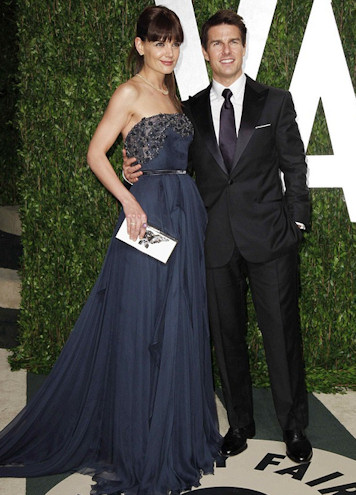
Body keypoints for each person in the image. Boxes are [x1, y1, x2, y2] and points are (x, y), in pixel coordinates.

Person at [0, 6, 221, 494]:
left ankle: (171, 437)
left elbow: (163, 157)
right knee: (143, 328)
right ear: (140, 44)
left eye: (175, 42)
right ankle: (139, 446)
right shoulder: (129, 92)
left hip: (184, 214)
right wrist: (127, 198)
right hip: (148, 219)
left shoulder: (172, 94)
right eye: (159, 41)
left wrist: (138, 170)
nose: (168, 51)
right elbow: (95, 151)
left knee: (178, 324)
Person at [123, 9, 312, 464]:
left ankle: (294, 428)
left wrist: (297, 224)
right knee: (226, 338)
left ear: (244, 48)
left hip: (270, 239)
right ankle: (241, 423)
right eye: (216, 43)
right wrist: (134, 172)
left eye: (233, 42)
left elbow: (295, 166)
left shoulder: (276, 102)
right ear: (205, 52)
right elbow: (172, 166)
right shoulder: (187, 110)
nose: (225, 51)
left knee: (281, 335)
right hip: (213, 242)